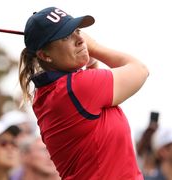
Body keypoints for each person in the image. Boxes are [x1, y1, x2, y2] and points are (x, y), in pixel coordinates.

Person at [18, 6, 149, 179]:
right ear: (45, 55)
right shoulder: (75, 88)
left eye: (77, 31)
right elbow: (140, 70)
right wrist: (94, 47)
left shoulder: (50, 93)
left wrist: (90, 61)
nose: (80, 39)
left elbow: (95, 124)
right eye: (66, 36)